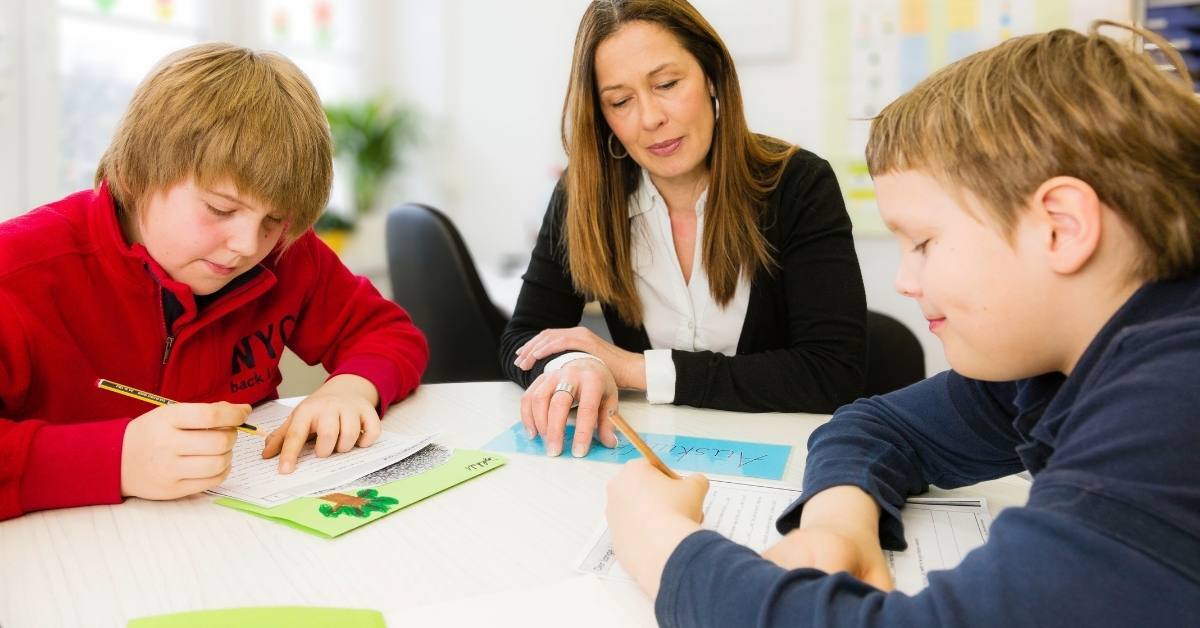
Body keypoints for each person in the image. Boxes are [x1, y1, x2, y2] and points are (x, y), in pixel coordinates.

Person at [605, 22, 1200, 626]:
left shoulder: (1172, 408)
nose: (904, 281)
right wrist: (839, 519)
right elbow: (875, 424)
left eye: (922, 242)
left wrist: (654, 537)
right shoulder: (1059, 361)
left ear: (1061, 227)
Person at [0, 43, 428, 521]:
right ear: (134, 171)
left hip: (232, 538)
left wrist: (351, 388)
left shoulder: (284, 253)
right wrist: (116, 459)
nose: (248, 245)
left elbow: (388, 331)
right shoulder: (16, 271)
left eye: (274, 219)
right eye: (220, 209)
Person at [501, 0, 867, 458]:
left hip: (782, 457)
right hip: (652, 456)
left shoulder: (798, 184)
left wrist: (634, 370)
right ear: (603, 115)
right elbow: (524, 340)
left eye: (667, 84)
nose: (650, 117)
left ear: (711, 74)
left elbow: (831, 373)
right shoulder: (583, 195)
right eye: (620, 101)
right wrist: (580, 363)